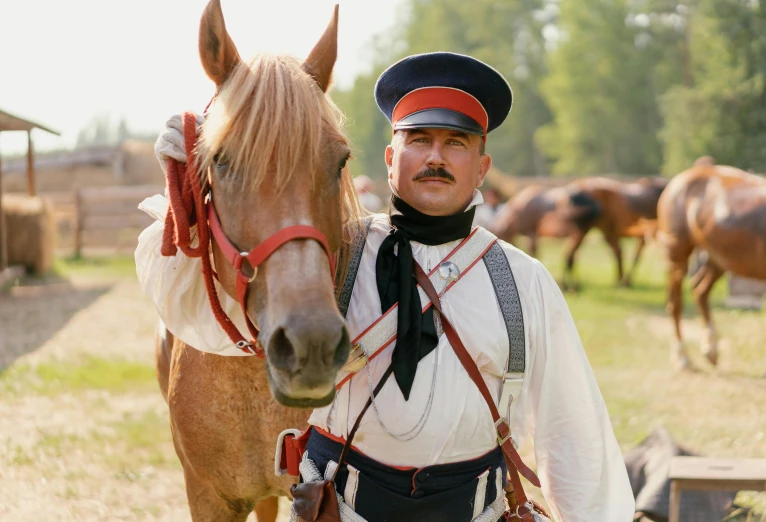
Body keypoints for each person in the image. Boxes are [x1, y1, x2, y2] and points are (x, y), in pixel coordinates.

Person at [137, 52, 634, 521]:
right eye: (419, 139)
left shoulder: (524, 281)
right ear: (391, 158)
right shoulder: (330, 259)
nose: (435, 157)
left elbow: (574, 438)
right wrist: (198, 182)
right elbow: (213, 323)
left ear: (481, 167)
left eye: (456, 143)